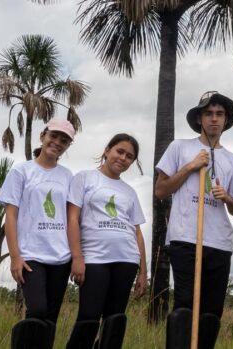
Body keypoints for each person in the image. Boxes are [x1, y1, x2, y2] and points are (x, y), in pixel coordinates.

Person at [155, 91, 233, 349]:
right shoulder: (180, 148)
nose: (214, 119)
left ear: (226, 120)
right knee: (185, 303)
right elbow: (161, 190)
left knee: (211, 311)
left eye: (219, 114)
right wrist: (190, 167)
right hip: (185, 237)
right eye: (208, 113)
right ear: (199, 118)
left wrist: (228, 197)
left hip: (219, 242)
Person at [0, 118, 76, 349]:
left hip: (61, 256)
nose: (57, 143)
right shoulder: (21, 171)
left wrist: (75, 255)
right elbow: (10, 215)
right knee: (37, 311)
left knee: (50, 318)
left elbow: (71, 218)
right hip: (31, 255)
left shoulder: (67, 176)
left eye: (64, 140)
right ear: (43, 136)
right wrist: (15, 256)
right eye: (54, 136)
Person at [65, 133, 148, 348]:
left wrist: (143, 272)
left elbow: (136, 232)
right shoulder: (84, 178)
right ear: (107, 150)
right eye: (119, 151)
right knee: (88, 318)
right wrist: (77, 257)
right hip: (94, 258)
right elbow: (72, 218)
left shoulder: (129, 192)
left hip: (127, 259)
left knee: (114, 320)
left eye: (129, 156)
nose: (123, 158)